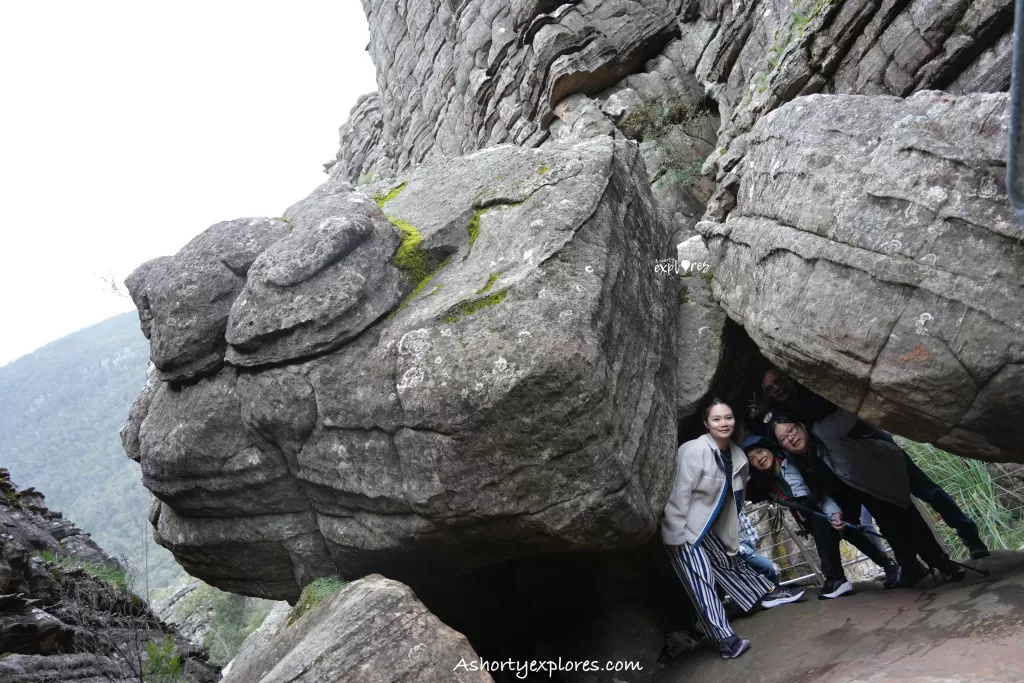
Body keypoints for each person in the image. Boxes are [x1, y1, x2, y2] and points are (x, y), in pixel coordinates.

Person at [750, 366, 989, 560]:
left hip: (872, 446)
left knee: (927, 491)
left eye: (779, 381)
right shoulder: (778, 409)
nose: (776, 388)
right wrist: (758, 413)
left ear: (788, 375)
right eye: (770, 387)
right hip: (848, 465)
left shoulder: (812, 387)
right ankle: (911, 565)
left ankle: (969, 536)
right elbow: (768, 436)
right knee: (884, 512)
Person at [662, 399, 805, 660]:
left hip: (710, 527)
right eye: (716, 419)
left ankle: (765, 594)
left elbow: (733, 497)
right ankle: (724, 639)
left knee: (731, 563)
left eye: (728, 417)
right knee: (701, 580)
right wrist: (673, 534)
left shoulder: (737, 454)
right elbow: (677, 495)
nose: (724, 423)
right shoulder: (694, 451)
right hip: (683, 529)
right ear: (706, 423)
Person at [769, 410, 965, 586]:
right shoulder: (798, 463)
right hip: (857, 490)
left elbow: (850, 411)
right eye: (783, 439)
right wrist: (834, 514)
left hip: (878, 474)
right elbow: (822, 495)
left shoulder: (825, 432)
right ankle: (912, 568)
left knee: (908, 520)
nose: (790, 439)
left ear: (801, 425)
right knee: (889, 527)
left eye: (791, 431)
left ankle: (942, 563)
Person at [742, 435, 901, 598]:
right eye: (752, 459)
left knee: (852, 534)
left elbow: (821, 492)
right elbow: (741, 491)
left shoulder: (794, 463)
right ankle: (879, 568)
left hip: (829, 505)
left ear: (770, 449)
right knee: (851, 535)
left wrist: (834, 513)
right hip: (811, 517)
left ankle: (840, 577)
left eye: (760, 451)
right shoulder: (764, 483)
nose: (759, 458)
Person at [737, 507, 779, 586]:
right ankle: (774, 592)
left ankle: (774, 592)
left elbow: (743, 521)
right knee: (773, 568)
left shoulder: (733, 501)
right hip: (739, 548)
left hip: (747, 543)